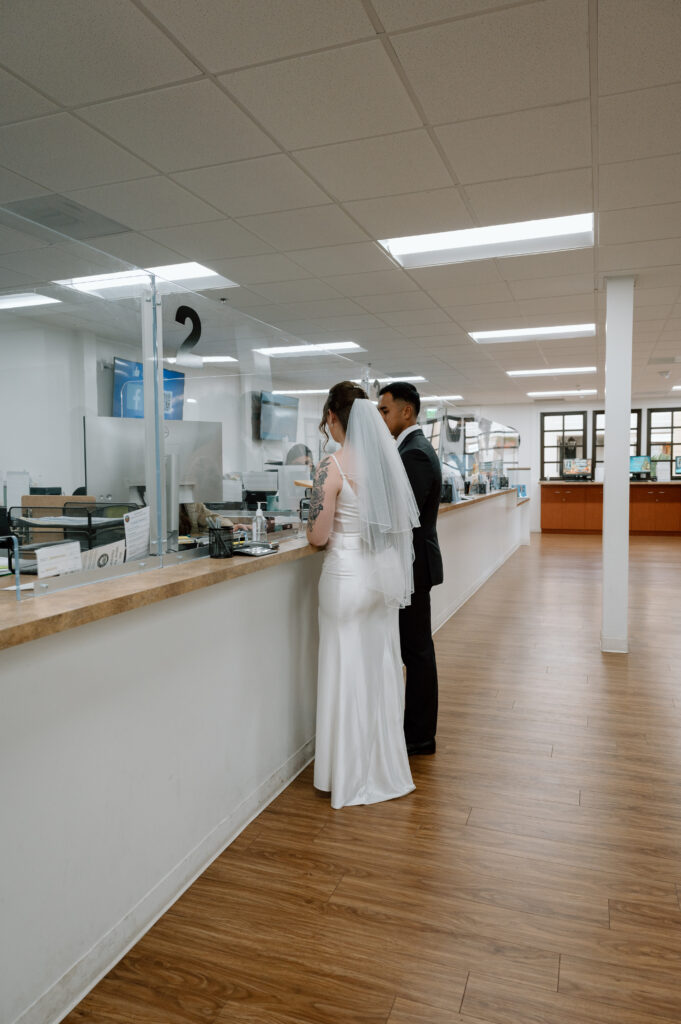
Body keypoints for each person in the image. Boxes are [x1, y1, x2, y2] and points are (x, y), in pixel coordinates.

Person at [307, 381, 420, 809]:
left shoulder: (331, 465)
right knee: (376, 673)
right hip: (379, 581)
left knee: (343, 671)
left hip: (345, 578)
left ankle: (345, 774)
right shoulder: (386, 465)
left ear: (335, 418)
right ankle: (379, 768)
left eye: (327, 421)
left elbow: (318, 536)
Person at [377, 382, 443, 756]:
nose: (381, 418)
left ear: (407, 412)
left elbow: (403, 516)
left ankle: (419, 736)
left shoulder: (414, 453)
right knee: (415, 650)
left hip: (414, 565)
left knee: (416, 652)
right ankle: (416, 730)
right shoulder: (410, 449)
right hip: (414, 564)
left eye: (385, 411)